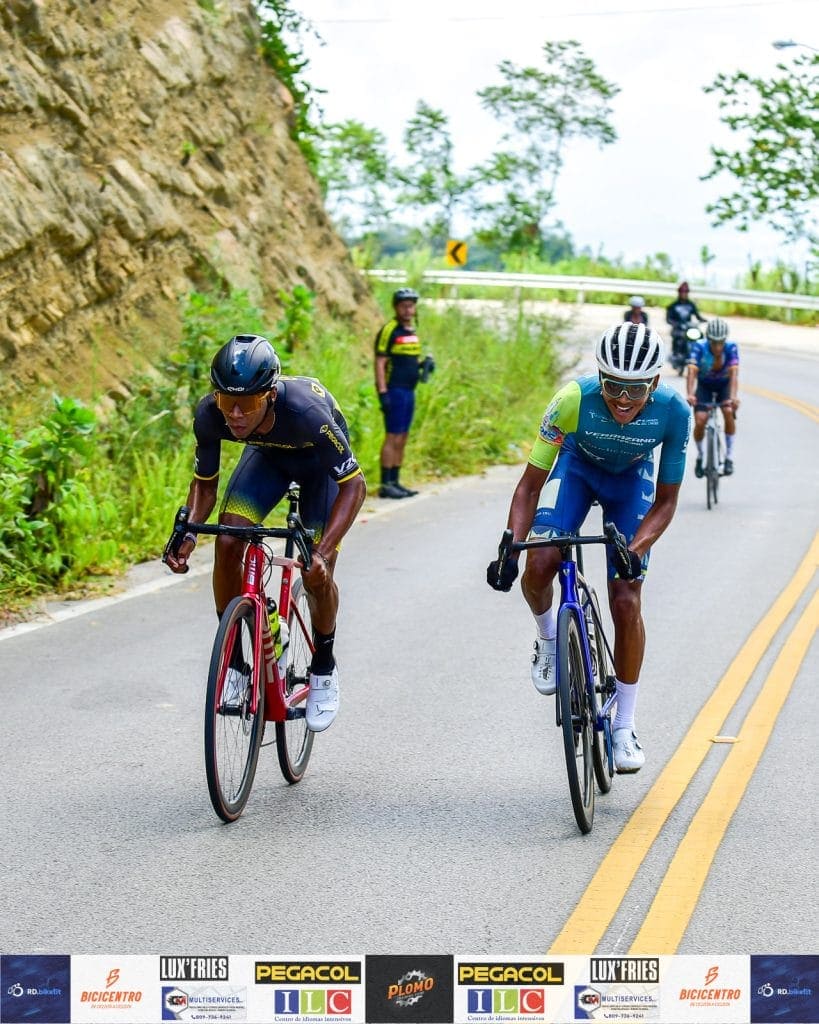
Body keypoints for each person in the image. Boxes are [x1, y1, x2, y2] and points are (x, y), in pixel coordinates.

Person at [486, 323, 690, 774]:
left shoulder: (674, 411)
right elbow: (528, 487)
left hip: (630, 483)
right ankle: (548, 638)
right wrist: (509, 547)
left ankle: (624, 725)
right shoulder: (572, 399)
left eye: (634, 389)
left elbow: (667, 500)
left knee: (626, 596)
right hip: (576, 470)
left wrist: (635, 549)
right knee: (540, 563)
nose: (621, 398)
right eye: (613, 384)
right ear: (599, 376)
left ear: (654, 383)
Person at [164, 334, 366, 733]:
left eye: (249, 403)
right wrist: (187, 535)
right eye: (226, 401)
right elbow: (204, 485)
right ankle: (236, 661)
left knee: (315, 573)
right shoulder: (210, 415)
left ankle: (323, 665)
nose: (236, 415)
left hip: (320, 468)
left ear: (270, 395)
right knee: (226, 540)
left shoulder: (307, 412)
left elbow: (354, 486)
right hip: (268, 460)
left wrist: (322, 555)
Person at [374, 287, 435, 499]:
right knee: (392, 436)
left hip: (410, 390)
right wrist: (383, 392)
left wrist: (423, 365)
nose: (408, 310)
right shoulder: (390, 329)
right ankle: (385, 483)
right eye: (404, 306)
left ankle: (396, 481)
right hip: (395, 390)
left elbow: (407, 361)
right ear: (396, 307)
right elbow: (380, 362)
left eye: (411, 306)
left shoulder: (411, 331)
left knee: (403, 436)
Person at [686, 317, 740, 476]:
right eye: (713, 342)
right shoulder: (699, 347)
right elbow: (691, 371)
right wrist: (690, 394)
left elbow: (734, 373)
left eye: (720, 342)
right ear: (708, 339)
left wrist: (733, 397)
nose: (717, 346)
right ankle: (701, 456)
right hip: (705, 386)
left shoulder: (731, 348)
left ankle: (729, 457)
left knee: (729, 411)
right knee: (701, 420)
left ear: (725, 340)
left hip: (724, 385)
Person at [665, 281, 707, 362]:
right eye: (682, 291)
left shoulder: (691, 304)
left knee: (700, 335)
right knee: (679, 337)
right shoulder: (673, 306)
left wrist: (702, 320)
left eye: (686, 291)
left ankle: (700, 353)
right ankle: (676, 354)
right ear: (679, 292)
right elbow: (668, 319)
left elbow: (697, 316)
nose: (684, 293)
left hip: (688, 327)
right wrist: (674, 323)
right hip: (678, 328)